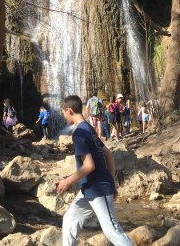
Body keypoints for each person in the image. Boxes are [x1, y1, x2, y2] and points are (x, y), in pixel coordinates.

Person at [56, 95, 133, 246]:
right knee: (70, 219)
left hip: (98, 189)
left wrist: (67, 181)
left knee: (112, 231)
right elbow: (109, 156)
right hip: (88, 189)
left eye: (63, 112)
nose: (63, 115)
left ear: (69, 111)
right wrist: (112, 183)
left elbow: (89, 166)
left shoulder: (79, 134)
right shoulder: (88, 128)